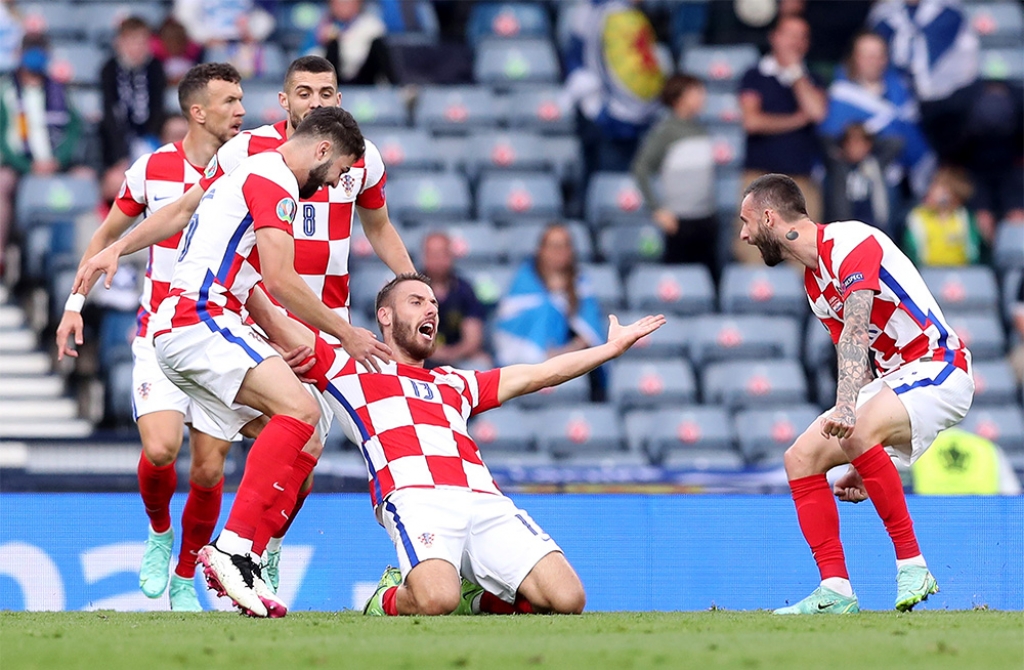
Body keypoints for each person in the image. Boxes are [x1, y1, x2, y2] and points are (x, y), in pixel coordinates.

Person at [96, 55, 415, 586]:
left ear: (338, 100)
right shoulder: (250, 153)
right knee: (216, 453)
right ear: (285, 100)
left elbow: (379, 227)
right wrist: (119, 247)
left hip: (318, 320)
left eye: (326, 93)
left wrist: (412, 284)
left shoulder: (360, 159)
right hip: (249, 315)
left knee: (304, 453)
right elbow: (186, 209)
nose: (315, 101)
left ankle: (261, 551)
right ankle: (218, 550)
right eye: (304, 92)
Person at [244, 272, 666, 616]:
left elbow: (541, 373)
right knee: (434, 600)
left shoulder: (456, 382)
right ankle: (387, 596)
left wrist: (609, 349)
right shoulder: (351, 370)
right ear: (384, 316)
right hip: (416, 499)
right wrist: (238, 270)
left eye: (433, 304)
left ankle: (475, 599)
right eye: (416, 302)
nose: (430, 308)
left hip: (484, 500)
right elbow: (277, 321)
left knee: (567, 599)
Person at [54, 64, 245, 612]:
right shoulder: (153, 168)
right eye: (229, 102)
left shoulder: (250, 165)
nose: (240, 110)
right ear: (197, 112)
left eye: (241, 99)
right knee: (161, 450)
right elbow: (105, 236)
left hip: (222, 335)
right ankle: (160, 530)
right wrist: (74, 305)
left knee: (208, 469)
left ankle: (186, 574)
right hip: (160, 331)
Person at [738, 173, 974, 614]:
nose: (744, 235)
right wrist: (863, 456)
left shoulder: (850, 241)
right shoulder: (814, 283)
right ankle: (835, 590)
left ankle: (913, 565)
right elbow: (858, 365)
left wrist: (850, 414)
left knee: (854, 428)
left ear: (769, 218)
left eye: (746, 221)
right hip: (894, 382)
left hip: (939, 366)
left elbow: (856, 331)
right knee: (800, 458)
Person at [736, 15, 827, 263]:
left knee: (807, 256)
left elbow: (817, 112)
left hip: (800, 182)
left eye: (801, 37)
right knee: (754, 254)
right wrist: (797, 120)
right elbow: (752, 121)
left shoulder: (812, 78)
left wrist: (796, 74)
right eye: (789, 35)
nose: (795, 42)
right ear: (774, 38)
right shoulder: (755, 75)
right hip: (758, 181)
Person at [0, 33, 84, 274]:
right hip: (20, 165)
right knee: (2, 183)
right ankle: (1, 255)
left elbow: (74, 128)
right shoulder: (6, 89)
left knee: (86, 179)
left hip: (56, 163)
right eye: (30, 50)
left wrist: (59, 160)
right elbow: (2, 137)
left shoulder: (58, 88)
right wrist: (27, 166)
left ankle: (83, 256)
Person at [818, 32, 934, 198]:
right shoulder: (840, 94)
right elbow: (829, 140)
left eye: (878, 55)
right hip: (845, 184)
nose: (873, 61)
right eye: (867, 55)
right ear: (855, 58)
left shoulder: (900, 94)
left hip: (890, 180)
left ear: (886, 59)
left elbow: (913, 140)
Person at [564, 0, 666, 183]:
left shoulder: (628, 15)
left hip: (626, 114)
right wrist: (599, 107)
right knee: (609, 182)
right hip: (606, 115)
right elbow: (583, 62)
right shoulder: (603, 14)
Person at [868, 0, 979, 160]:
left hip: (948, 100)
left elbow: (924, 56)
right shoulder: (884, 14)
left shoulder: (948, 10)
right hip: (899, 100)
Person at [630, 74, 717, 274]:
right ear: (679, 98)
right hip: (679, 222)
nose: (702, 97)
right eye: (695, 92)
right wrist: (657, 209)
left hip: (706, 218)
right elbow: (641, 168)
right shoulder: (665, 131)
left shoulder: (702, 130)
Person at [493, 225, 604, 369]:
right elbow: (509, 317)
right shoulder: (524, 278)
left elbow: (590, 330)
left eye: (565, 245)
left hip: (568, 362)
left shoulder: (581, 283)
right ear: (541, 250)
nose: (560, 251)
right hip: (522, 362)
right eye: (554, 246)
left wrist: (567, 351)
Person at [100, 17, 167, 171]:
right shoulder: (109, 69)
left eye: (142, 42)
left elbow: (158, 107)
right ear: (119, 43)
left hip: (150, 137)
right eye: (132, 41)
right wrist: (120, 154)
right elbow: (109, 111)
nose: (137, 48)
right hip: (117, 140)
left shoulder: (155, 68)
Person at [421, 231, 490, 369]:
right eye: (433, 254)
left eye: (443, 253)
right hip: (421, 356)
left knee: (481, 363)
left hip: (459, 357)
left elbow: (473, 339)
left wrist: (450, 354)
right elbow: (406, 336)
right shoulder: (411, 289)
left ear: (451, 255)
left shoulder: (465, 290)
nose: (438, 260)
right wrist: (433, 353)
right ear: (424, 257)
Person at [822, 123, 902, 233]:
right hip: (845, 227)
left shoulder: (874, 164)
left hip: (872, 225)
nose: (855, 148)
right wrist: (839, 146)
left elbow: (896, 143)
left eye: (860, 143)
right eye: (851, 143)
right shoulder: (837, 165)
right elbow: (823, 140)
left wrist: (872, 142)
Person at [903, 165, 983, 267]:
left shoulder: (963, 218)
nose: (931, 191)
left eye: (938, 188)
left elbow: (973, 252)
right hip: (926, 271)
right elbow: (911, 251)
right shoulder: (917, 217)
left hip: (960, 272)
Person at [304, 0, 394, 86]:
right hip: (332, 79)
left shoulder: (372, 24)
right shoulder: (321, 25)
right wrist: (323, 42)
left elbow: (361, 57)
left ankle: (395, 89)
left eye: (347, 2)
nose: (343, 6)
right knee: (332, 47)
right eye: (339, 3)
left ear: (358, 3)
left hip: (365, 77)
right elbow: (307, 57)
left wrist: (342, 39)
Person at [911, 428, 1022, 495]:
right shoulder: (987, 447)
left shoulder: (919, 448)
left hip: (931, 521)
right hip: (982, 522)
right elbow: (1012, 495)